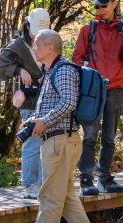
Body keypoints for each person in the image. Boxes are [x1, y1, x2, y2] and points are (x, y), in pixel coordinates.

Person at [72, 0, 123, 195]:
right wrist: (85, 80)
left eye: (103, 6)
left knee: (109, 137)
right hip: (93, 90)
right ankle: (86, 180)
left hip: (116, 89)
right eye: (96, 7)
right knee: (90, 136)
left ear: (114, 4)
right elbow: (76, 58)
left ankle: (106, 179)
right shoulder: (88, 29)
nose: (99, 10)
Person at [28, 30, 89, 223]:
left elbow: (69, 101)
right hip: (59, 141)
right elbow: (57, 103)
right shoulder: (50, 71)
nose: (33, 49)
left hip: (59, 142)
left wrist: (45, 121)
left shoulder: (62, 69)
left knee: (49, 199)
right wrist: (36, 120)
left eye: (37, 45)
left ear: (50, 48)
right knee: (68, 199)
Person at [0, 8, 51, 199]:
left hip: (48, 99)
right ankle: (30, 184)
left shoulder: (49, 39)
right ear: (27, 26)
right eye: (34, 30)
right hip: (29, 101)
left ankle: (43, 183)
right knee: (33, 141)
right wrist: (19, 70)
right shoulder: (18, 44)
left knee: (47, 142)